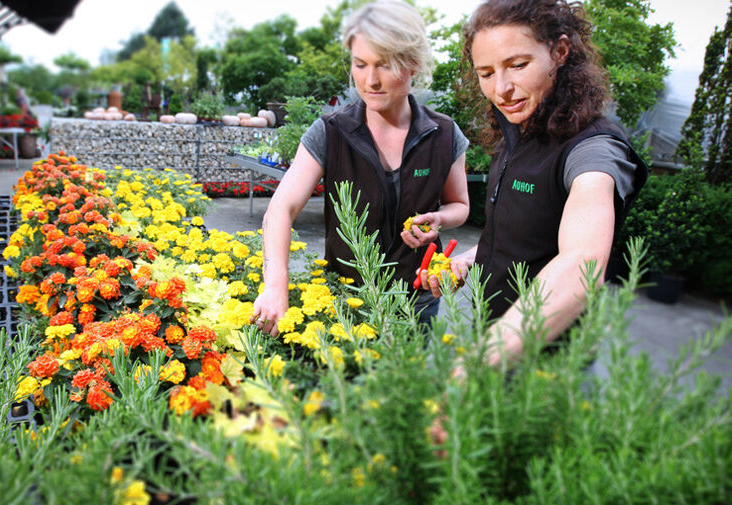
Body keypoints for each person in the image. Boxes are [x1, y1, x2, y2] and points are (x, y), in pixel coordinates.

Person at [418, 0, 647, 367]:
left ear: (559, 51)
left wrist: (483, 359)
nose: (502, 89)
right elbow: (527, 238)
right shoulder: (517, 135)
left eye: (518, 65)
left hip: (547, 366)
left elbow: (582, 261)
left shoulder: (594, 149)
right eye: (486, 73)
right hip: (494, 338)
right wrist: (470, 260)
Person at [252, 0, 471, 336]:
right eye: (360, 64)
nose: (370, 80)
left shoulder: (444, 134)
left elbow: (460, 205)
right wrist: (276, 285)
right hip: (346, 300)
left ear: (412, 63)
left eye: (384, 65)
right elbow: (281, 209)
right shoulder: (330, 132)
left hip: (417, 300)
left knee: (406, 385)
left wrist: (440, 219)